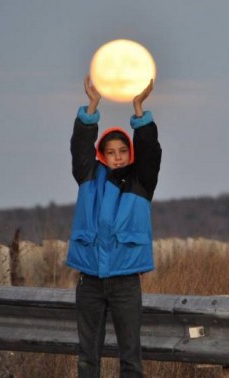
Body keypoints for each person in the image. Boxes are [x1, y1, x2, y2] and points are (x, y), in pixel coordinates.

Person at [66, 75, 161, 377]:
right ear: (102, 155)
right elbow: (79, 146)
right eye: (111, 152)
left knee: (130, 358)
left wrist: (139, 110)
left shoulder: (142, 181)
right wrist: (91, 108)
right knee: (87, 358)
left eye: (123, 151)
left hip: (125, 282)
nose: (118, 157)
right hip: (89, 281)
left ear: (129, 153)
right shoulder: (88, 176)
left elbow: (150, 151)